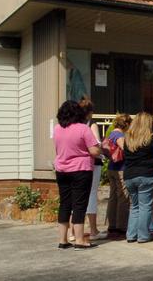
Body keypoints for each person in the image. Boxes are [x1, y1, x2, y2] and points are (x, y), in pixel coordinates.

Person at [52, 100, 101, 250]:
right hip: (81, 170)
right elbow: (94, 151)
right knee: (79, 204)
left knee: (65, 204)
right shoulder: (83, 129)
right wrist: (99, 149)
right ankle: (79, 240)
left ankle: (63, 240)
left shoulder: (57, 128)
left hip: (61, 170)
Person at [123, 112, 153, 243]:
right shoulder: (152, 139)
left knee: (135, 206)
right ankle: (143, 235)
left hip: (129, 176)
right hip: (146, 174)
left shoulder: (127, 139)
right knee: (145, 206)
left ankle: (131, 234)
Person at [78, 97, 107, 241]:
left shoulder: (73, 124)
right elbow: (96, 144)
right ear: (90, 112)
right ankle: (93, 230)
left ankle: (73, 232)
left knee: (75, 196)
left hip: (74, 165)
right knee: (91, 195)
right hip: (92, 163)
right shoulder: (92, 124)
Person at [106, 113, 132, 235]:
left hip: (111, 167)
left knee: (113, 197)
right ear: (126, 124)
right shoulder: (119, 135)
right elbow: (125, 149)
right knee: (123, 196)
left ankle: (112, 224)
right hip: (120, 168)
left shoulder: (111, 133)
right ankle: (121, 225)